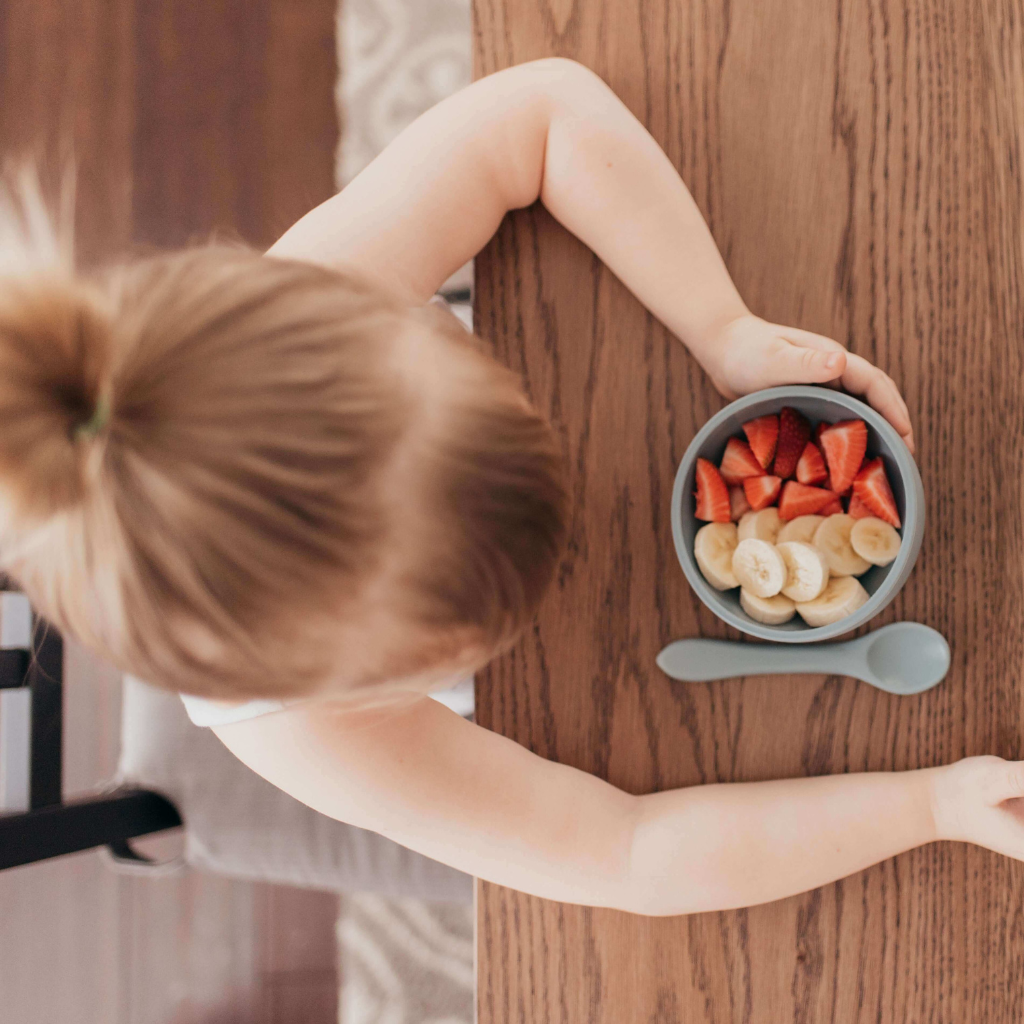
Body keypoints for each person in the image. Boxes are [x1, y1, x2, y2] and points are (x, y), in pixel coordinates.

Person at [1, 57, 1021, 916]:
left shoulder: (320, 288)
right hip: (570, 705)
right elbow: (624, 854)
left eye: (507, 421)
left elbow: (537, 110)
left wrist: (722, 327)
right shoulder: (301, 730)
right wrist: (930, 806)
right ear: (358, 681)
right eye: (460, 626)